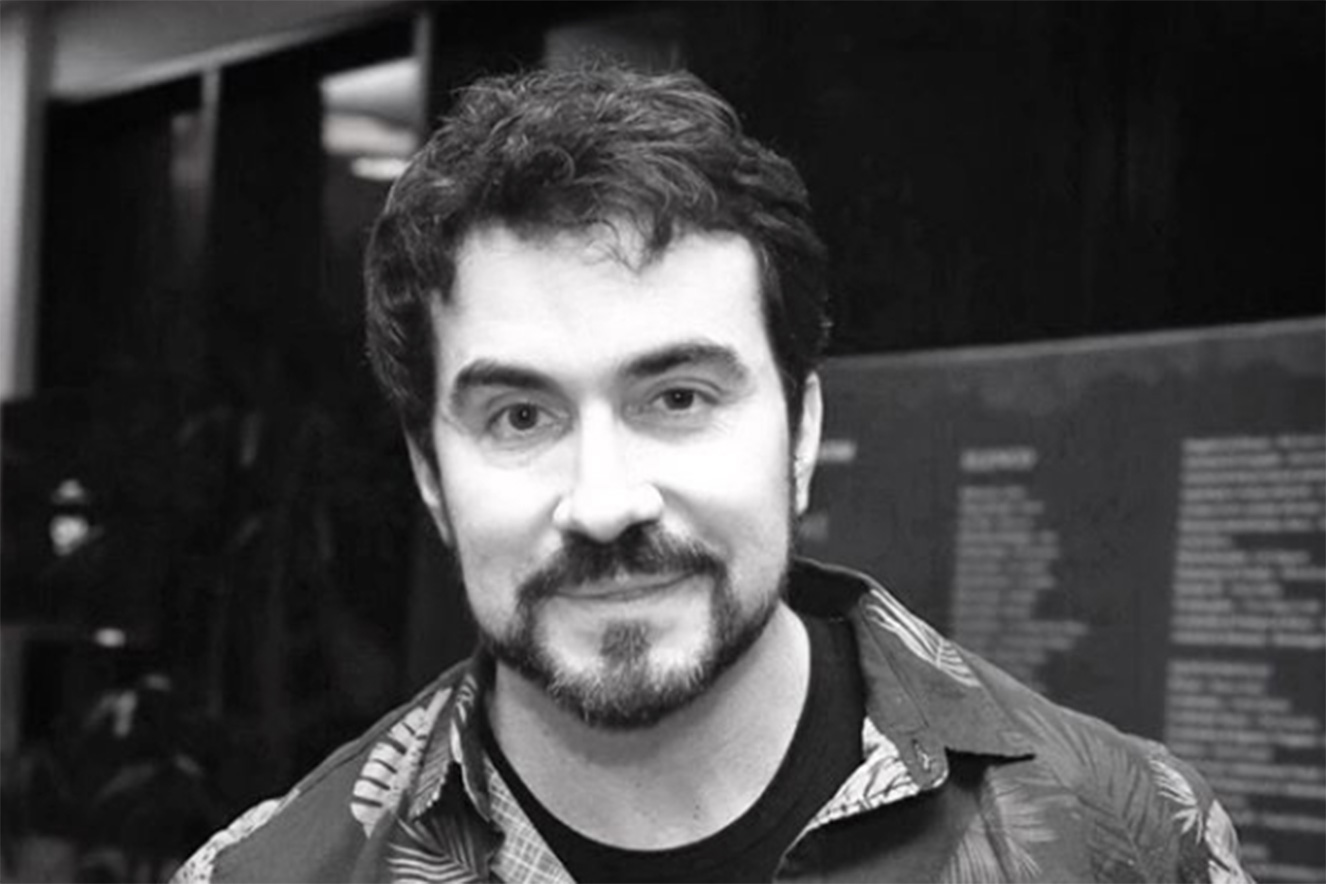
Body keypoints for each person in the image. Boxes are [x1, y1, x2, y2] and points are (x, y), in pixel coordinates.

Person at [173, 66, 1252, 884]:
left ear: (802, 430)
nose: (606, 502)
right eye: (520, 416)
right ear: (428, 473)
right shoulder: (275, 874)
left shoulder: (1125, 839)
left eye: (678, 397)